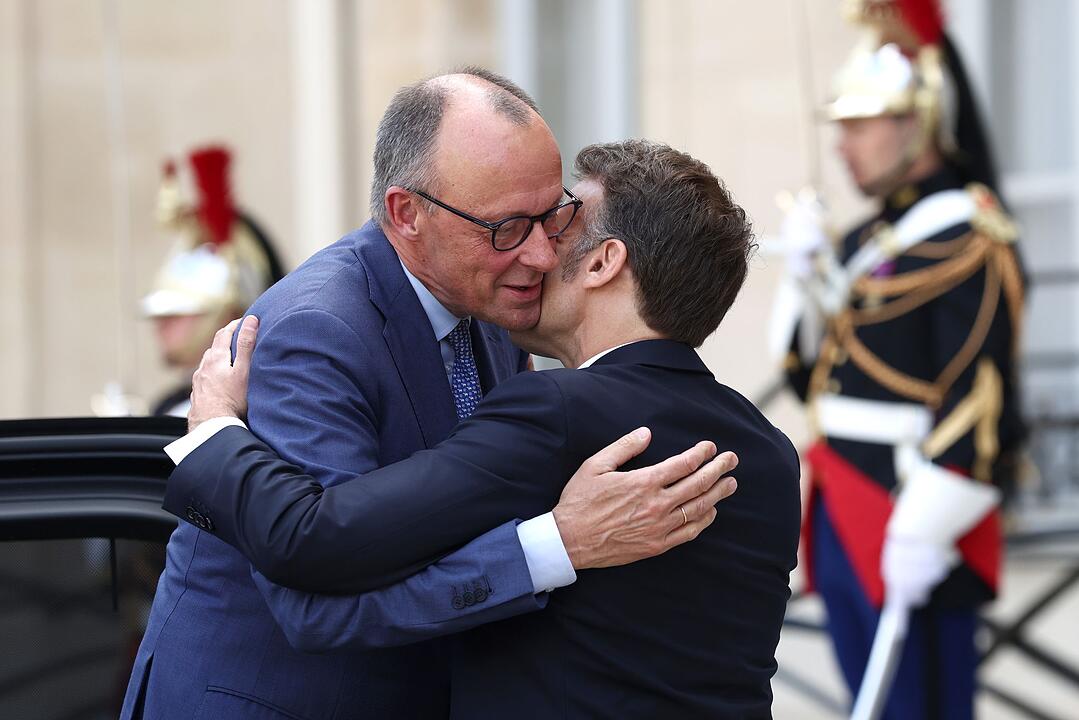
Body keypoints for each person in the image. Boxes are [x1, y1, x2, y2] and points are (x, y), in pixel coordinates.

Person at [121, 69, 736, 720]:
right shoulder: (316, 331)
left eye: (549, 216)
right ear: (406, 214)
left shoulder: (494, 312)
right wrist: (557, 545)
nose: (538, 255)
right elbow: (315, 606)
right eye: (505, 227)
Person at [773, 1, 1025, 717]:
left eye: (859, 125)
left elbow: (981, 399)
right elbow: (807, 377)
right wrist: (803, 278)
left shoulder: (968, 238)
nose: (841, 146)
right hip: (842, 494)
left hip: (916, 507)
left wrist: (926, 523)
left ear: (919, 123)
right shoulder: (863, 243)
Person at [141, 146, 286, 417]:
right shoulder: (173, 402)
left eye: (178, 314)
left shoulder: (260, 401)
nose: (160, 326)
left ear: (228, 316)